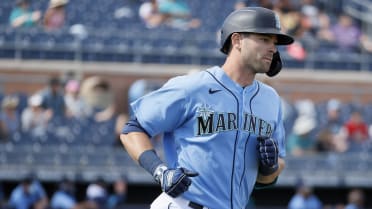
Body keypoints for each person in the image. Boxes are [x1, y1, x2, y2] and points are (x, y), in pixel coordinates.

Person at [120, 6, 294, 209]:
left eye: (275, 42)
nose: (273, 48)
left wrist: (269, 166)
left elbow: (269, 177)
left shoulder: (270, 100)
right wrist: (160, 171)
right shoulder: (192, 87)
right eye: (264, 39)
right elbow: (132, 129)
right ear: (236, 40)